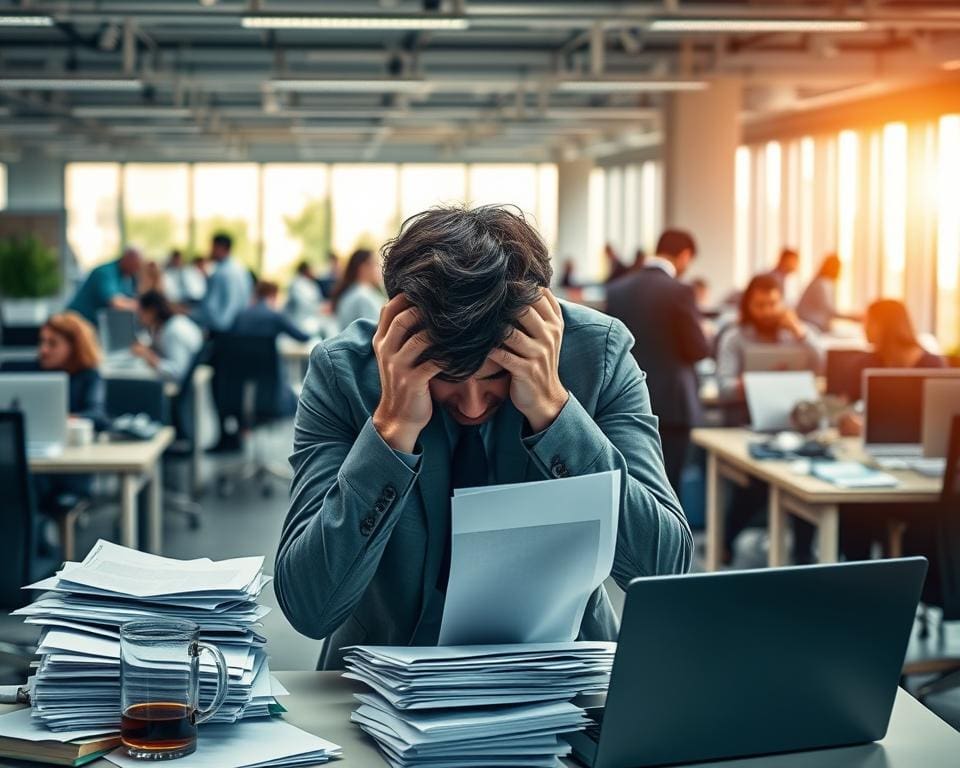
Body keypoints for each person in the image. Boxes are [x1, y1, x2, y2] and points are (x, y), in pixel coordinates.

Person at [274, 205, 692, 669]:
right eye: (447, 377)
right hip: (381, 678)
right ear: (402, 327)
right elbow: (309, 607)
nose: (472, 405)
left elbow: (663, 569)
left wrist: (555, 413)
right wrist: (391, 430)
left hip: (562, 674)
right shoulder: (345, 374)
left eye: (496, 377)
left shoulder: (599, 354)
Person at [605, 230, 711, 494]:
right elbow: (698, 349)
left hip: (624, 401)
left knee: (631, 488)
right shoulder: (680, 291)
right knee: (669, 487)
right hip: (673, 405)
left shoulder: (618, 290)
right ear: (684, 256)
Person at [34, 312, 107, 512]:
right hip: (33, 460)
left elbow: (97, 417)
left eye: (52, 343)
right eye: (42, 342)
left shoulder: (88, 377)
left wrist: (60, 419)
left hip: (69, 468)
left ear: (74, 346)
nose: (43, 349)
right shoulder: (31, 372)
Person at [838, 299, 945, 434]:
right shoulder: (864, 364)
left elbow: (940, 422)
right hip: (874, 444)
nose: (863, 328)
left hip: (919, 445)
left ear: (885, 325)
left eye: (868, 321)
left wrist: (866, 431)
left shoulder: (933, 366)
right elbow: (843, 408)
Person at [715, 273, 822, 397]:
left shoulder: (798, 333)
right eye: (760, 305)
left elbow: (822, 366)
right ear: (748, 306)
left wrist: (800, 334)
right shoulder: (734, 338)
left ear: (782, 303)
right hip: (745, 409)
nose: (767, 312)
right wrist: (752, 384)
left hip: (791, 404)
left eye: (772, 304)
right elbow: (724, 386)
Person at [232, 281, 312, 416]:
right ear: (273, 295)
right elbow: (302, 337)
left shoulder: (241, 315)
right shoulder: (274, 316)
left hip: (240, 368)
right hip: (268, 369)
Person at [130, 290, 204, 386]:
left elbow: (178, 372)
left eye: (141, 312)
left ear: (151, 311)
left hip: (181, 386)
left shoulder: (174, 331)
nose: (139, 318)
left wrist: (150, 357)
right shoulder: (167, 326)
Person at [193, 233, 253, 332]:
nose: (210, 251)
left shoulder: (220, 273)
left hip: (222, 331)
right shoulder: (242, 269)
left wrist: (190, 314)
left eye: (212, 247)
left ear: (219, 248)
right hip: (241, 328)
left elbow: (210, 308)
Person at [66, 247, 142, 325]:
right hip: (75, 321)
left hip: (94, 325)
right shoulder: (105, 272)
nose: (137, 270)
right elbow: (116, 302)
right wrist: (144, 307)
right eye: (136, 265)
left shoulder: (127, 277)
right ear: (127, 259)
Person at [330, 249, 386, 330]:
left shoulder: (352, 292)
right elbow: (379, 332)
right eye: (376, 264)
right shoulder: (363, 297)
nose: (380, 269)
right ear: (363, 268)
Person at [796, 253, 841, 332]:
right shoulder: (821, 284)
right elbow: (829, 310)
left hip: (816, 324)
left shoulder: (826, 283)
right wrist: (852, 317)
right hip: (810, 325)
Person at [285, 261, 323, 330]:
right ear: (305, 270)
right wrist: (320, 308)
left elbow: (318, 300)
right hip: (300, 322)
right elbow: (304, 304)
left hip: (311, 320)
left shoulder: (312, 284)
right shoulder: (296, 285)